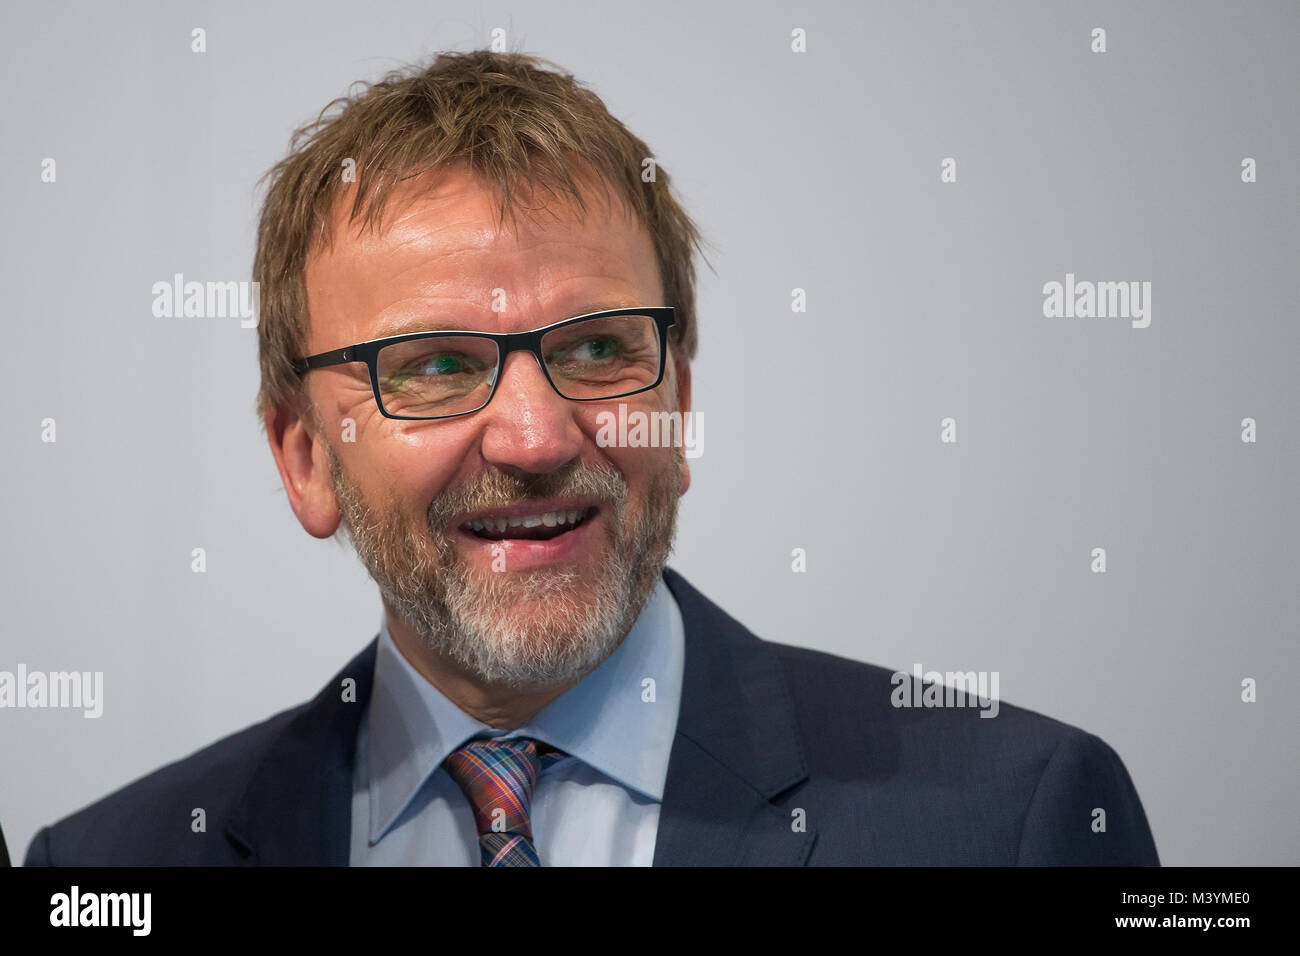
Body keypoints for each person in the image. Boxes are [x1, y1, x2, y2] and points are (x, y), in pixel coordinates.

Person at [24, 50, 1158, 867]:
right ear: (305, 456)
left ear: (680, 397)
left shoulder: (1014, 821)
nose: (535, 437)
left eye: (601, 348)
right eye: (431, 366)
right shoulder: (104, 866)